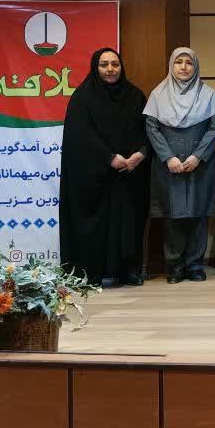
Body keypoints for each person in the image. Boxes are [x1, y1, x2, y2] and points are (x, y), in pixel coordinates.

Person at [59, 48, 149, 287]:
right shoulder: (82, 98)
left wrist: (140, 154)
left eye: (115, 64)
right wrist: (109, 157)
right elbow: (80, 137)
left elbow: (147, 130)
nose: (110, 69)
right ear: (95, 68)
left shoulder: (135, 96)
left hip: (129, 173)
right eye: (104, 64)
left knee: (128, 223)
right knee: (95, 226)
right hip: (95, 177)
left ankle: (127, 271)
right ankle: (92, 273)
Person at [143, 47, 215, 284]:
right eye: (178, 62)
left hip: (200, 165)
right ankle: (175, 265)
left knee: (199, 213)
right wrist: (168, 157)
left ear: (195, 66)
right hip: (168, 165)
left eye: (189, 62)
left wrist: (197, 156)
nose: (183, 67)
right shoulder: (158, 94)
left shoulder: (208, 95)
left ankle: (195, 264)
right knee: (172, 214)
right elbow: (151, 128)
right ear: (172, 65)